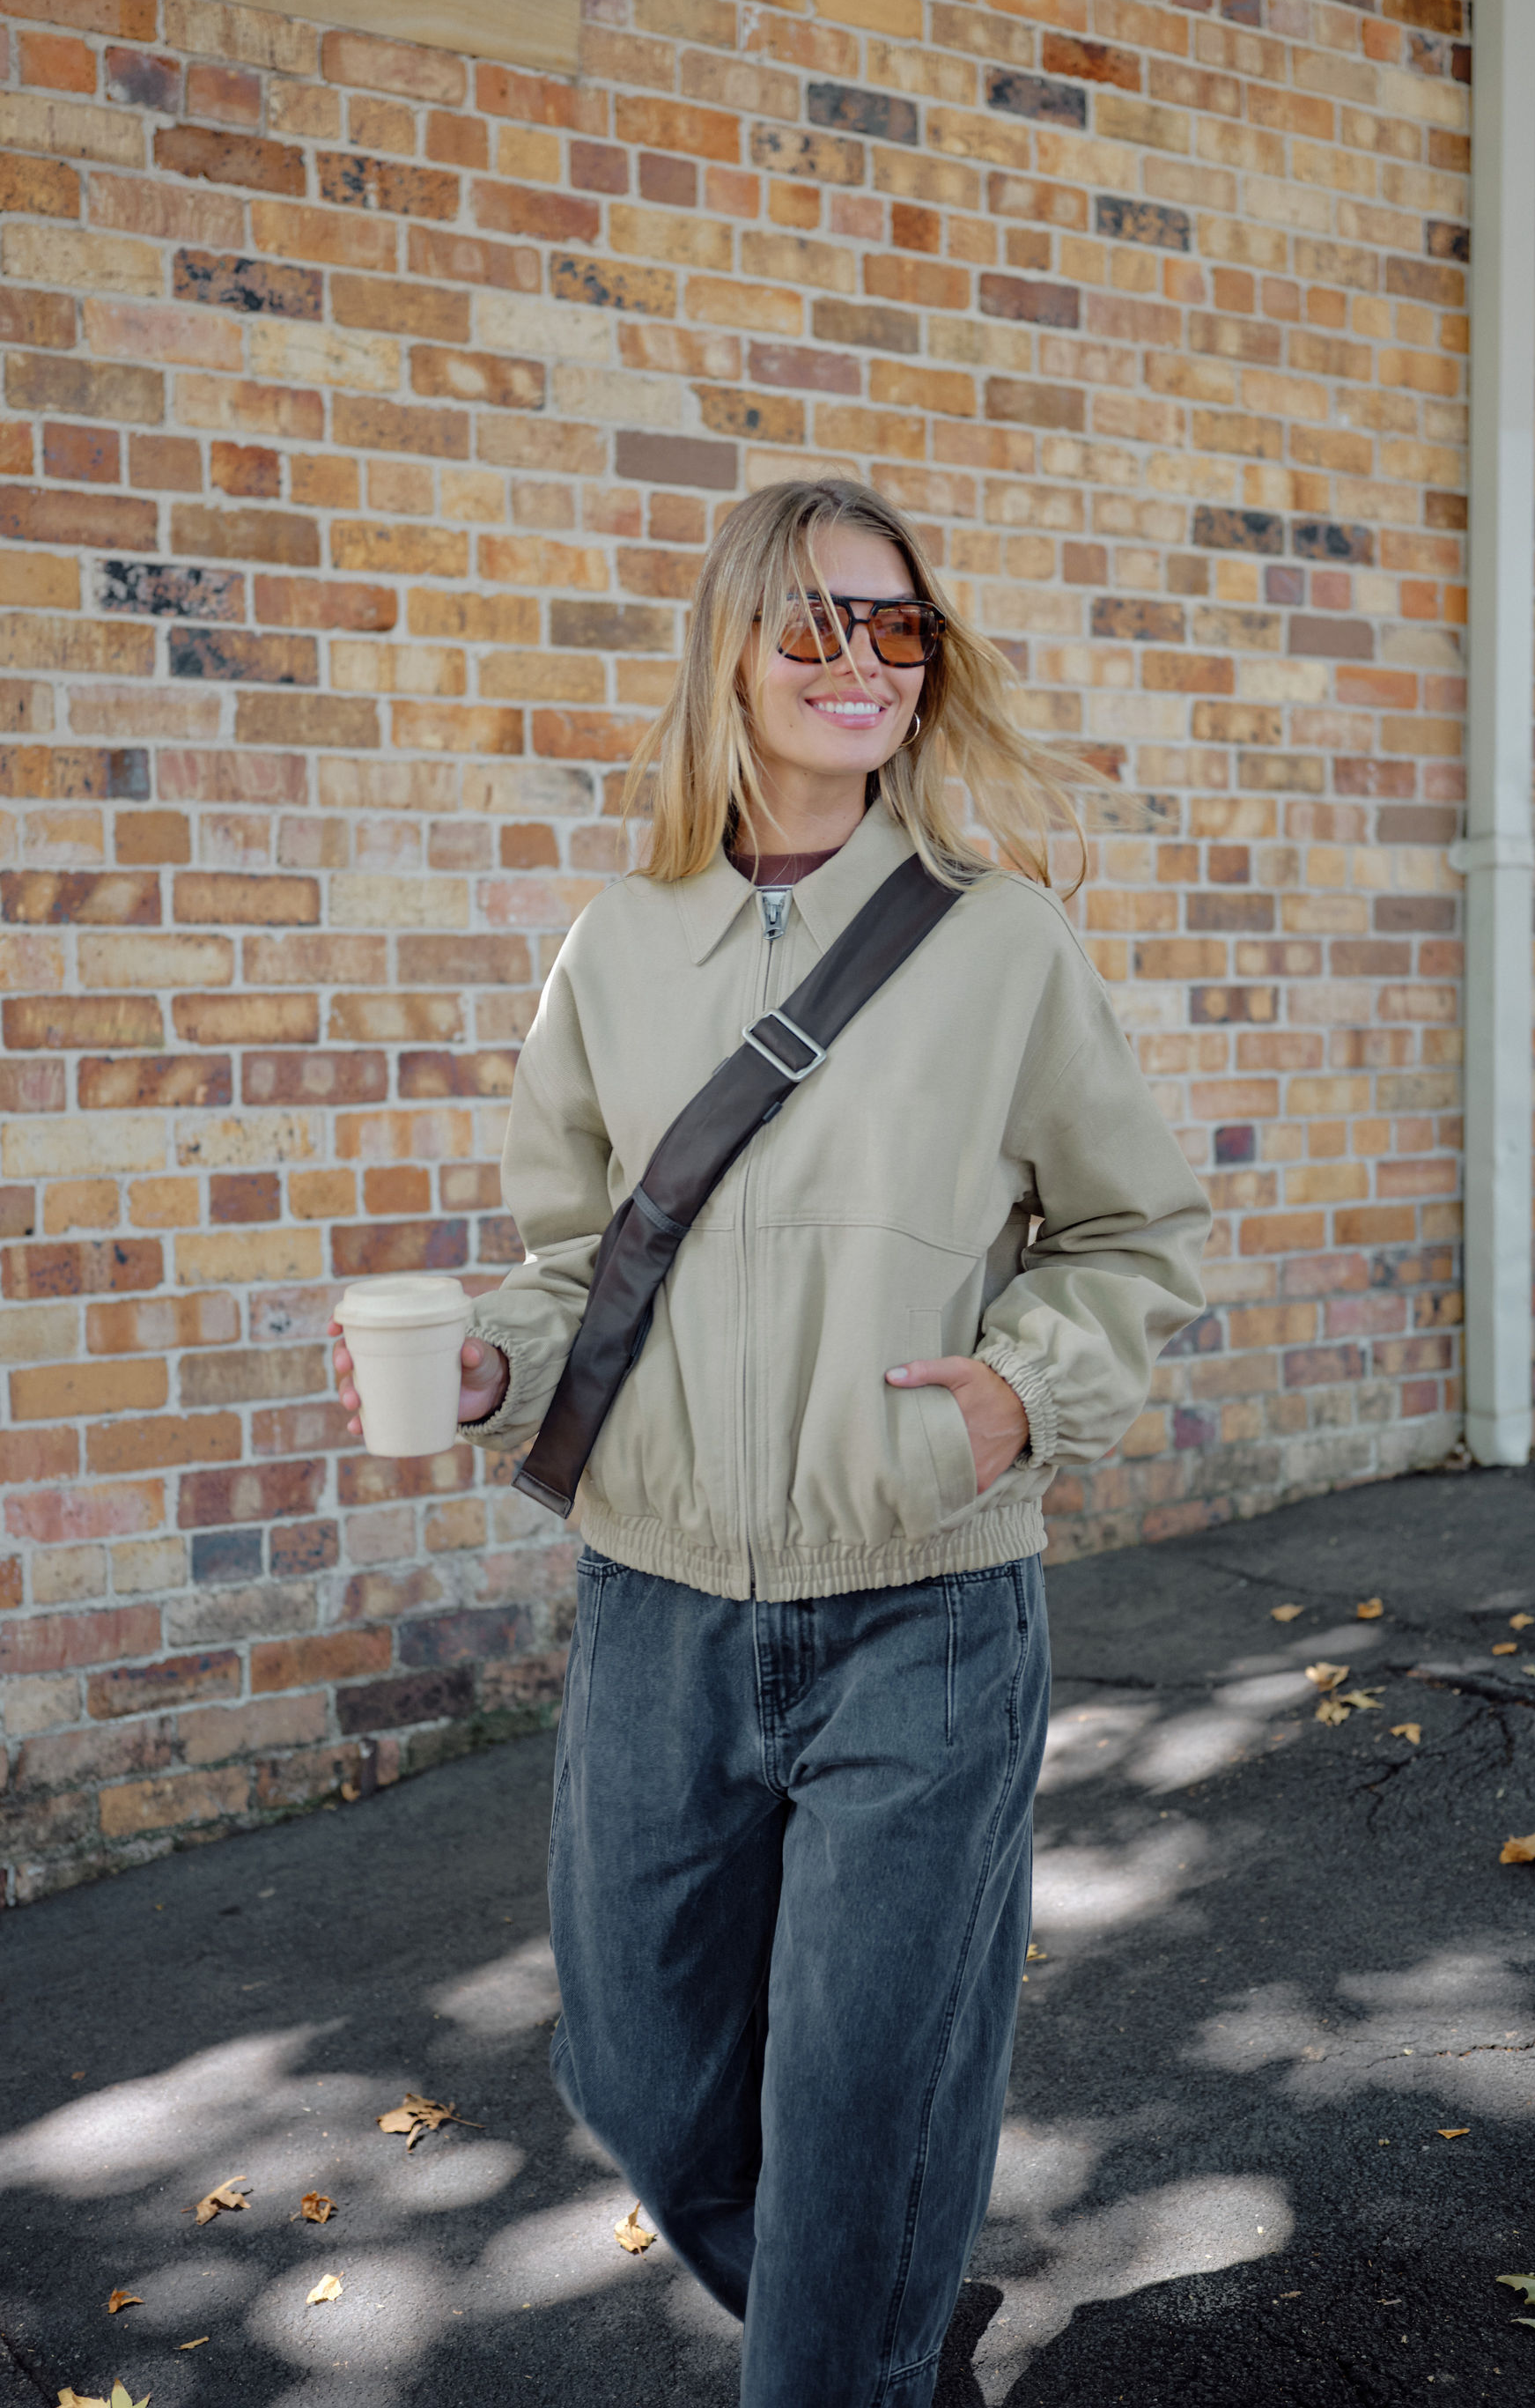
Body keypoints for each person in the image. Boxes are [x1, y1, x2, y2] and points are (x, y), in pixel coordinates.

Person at [332, 477, 1211, 2406]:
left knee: (866, 2100)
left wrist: (1023, 1389)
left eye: (899, 627)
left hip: (923, 1606)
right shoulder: (617, 944)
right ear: (730, 649)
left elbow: (1137, 1233)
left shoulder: (1001, 943)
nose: (860, 661)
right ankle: (882, 2313)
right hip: (657, 1606)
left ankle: (852, 2349)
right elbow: (576, 1258)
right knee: (639, 2079)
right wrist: (489, 1367)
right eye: (815, 621)